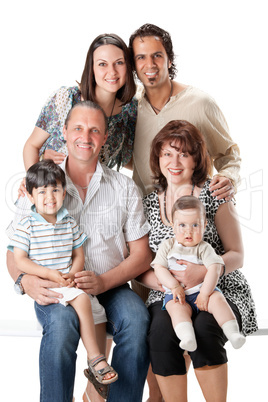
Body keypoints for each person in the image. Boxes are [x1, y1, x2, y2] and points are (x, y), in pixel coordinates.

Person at [6, 101, 151, 402]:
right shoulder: (39, 184)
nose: (86, 137)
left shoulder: (123, 188)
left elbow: (141, 255)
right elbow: (13, 251)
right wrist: (25, 281)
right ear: (64, 132)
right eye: (78, 129)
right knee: (60, 326)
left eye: (95, 130)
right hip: (56, 286)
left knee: (136, 319)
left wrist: (103, 283)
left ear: (105, 138)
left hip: (110, 285)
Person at [140, 120, 257, 402]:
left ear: (196, 159)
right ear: (158, 158)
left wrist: (202, 274)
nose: (175, 162)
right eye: (167, 153)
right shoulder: (146, 203)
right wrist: (168, 282)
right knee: (159, 333)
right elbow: (142, 264)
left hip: (220, 289)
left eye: (184, 154)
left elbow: (237, 254)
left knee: (204, 329)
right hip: (169, 294)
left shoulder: (214, 194)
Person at [8, 159, 118, 397]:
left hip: (68, 281)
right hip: (50, 286)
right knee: (81, 301)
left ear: (64, 192)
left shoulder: (68, 221)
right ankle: (95, 358)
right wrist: (48, 274)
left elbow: (78, 253)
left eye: (55, 190)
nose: (50, 197)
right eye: (42, 191)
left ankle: (95, 370)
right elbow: (20, 260)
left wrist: (73, 273)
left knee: (97, 312)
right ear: (29, 195)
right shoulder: (27, 225)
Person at [129, 23, 241, 199]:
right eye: (141, 57)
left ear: (169, 59)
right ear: (134, 64)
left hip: (193, 215)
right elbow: (135, 157)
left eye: (157, 56)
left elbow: (228, 154)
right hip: (144, 217)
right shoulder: (131, 106)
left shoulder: (200, 104)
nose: (149, 64)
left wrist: (228, 177)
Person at [23, 33, 137, 171]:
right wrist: (34, 179)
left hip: (93, 189)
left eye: (119, 63)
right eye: (102, 64)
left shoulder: (130, 110)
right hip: (52, 186)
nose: (112, 72)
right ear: (92, 68)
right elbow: (32, 145)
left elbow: (128, 159)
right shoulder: (66, 99)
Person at [152, 195, 246, 352]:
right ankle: (187, 337)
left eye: (195, 225)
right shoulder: (167, 246)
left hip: (203, 291)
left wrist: (204, 293)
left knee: (218, 300)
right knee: (176, 310)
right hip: (178, 294)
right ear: (173, 226)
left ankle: (233, 333)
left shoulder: (204, 248)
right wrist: (174, 286)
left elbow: (214, 268)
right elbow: (159, 268)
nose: (188, 231)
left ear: (205, 225)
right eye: (182, 225)